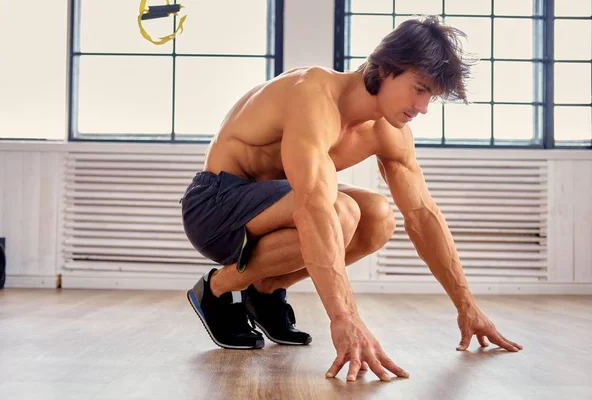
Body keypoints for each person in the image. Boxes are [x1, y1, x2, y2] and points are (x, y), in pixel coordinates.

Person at [180, 16, 523, 382]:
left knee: (378, 216)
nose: (422, 107)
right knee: (339, 210)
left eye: (431, 97)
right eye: (419, 89)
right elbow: (314, 207)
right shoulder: (312, 94)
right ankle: (215, 289)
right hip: (214, 206)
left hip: (272, 213)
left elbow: (422, 214)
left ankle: (265, 289)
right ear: (387, 67)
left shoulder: (390, 131)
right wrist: (346, 320)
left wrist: (466, 306)